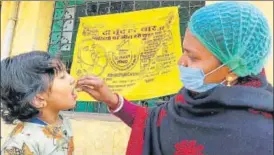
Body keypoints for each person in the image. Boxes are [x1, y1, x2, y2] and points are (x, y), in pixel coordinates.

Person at [77, 2, 273, 155]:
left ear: (232, 68)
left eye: (193, 57)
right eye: (183, 51)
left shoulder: (262, 135)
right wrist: (111, 99)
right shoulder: (190, 100)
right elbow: (152, 122)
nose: (181, 62)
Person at [1, 51, 77, 155]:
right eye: (62, 77)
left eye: (67, 72)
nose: (72, 79)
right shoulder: (20, 144)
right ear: (39, 100)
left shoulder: (61, 120)